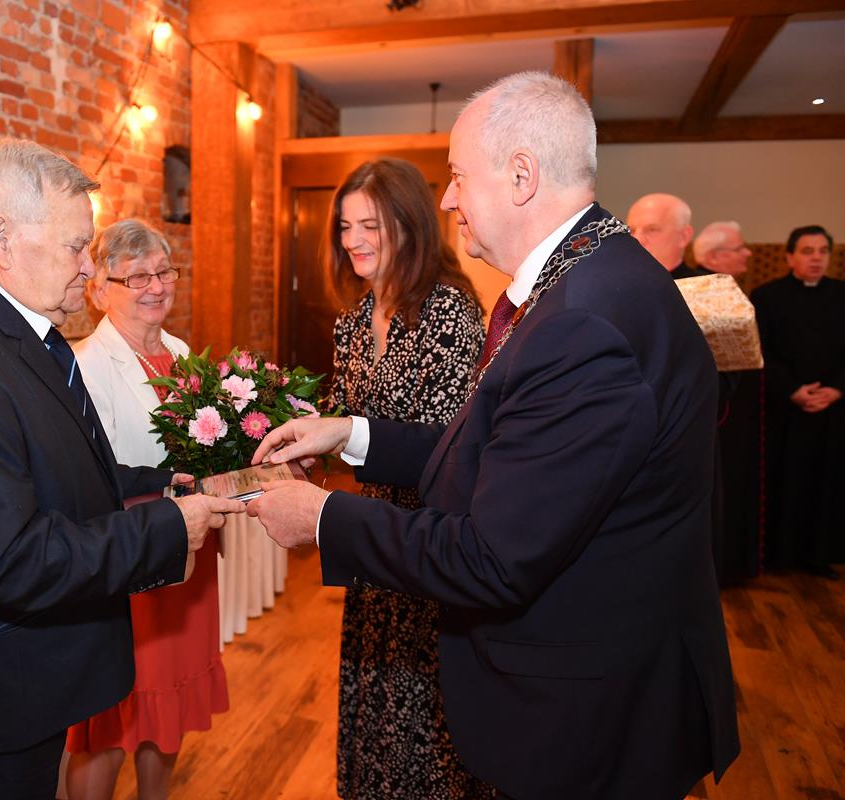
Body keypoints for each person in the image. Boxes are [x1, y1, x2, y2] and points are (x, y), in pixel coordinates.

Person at [247, 71, 740, 799]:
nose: (447, 199)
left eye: (456, 176)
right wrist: (348, 433)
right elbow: (498, 454)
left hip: (588, 713)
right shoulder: (590, 277)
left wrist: (322, 517)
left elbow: (494, 556)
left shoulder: (583, 320)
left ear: (520, 176)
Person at [0, 138, 243, 799]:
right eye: (77, 246)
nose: (88, 266)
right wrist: (167, 527)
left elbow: (62, 471)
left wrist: (160, 484)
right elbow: (11, 561)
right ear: (2, 240)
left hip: (22, 683)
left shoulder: (17, 337)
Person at [324, 158, 492, 799]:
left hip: (429, 535)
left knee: (424, 704)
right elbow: (340, 421)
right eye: (345, 227)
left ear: (411, 224)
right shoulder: (351, 320)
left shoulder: (447, 311)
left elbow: (448, 448)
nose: (354, 240)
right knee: (377, 693)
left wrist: (337, 435)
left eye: (370, 225)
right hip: (372, 531)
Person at [66, 219, 229, 799]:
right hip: (129, 557)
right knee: (112, 719)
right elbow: (94, 477)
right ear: (99, 290)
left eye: (164, 272)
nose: (156, 287)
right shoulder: (85, 365)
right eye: (137, 276)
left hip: (188, 552)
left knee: (171, 705)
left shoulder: (181, 353)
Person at [751, 225, 845, 579]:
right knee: (784, 480)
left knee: (827, 483)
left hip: (834, 411)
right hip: (785, 409)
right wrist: (792, 390)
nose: (816, 258)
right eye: (807, 251)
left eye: (823, 251)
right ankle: (778, 554)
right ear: (790, 257)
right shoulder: (766, 296)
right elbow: (760, 350)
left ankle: (820, 553)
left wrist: (837, 390)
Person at [691, 220, 763, 584]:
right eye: (739, 248)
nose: (748, 253)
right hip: (716, 413)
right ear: (715, 256)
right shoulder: (703, 290)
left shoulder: (726, 288)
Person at [626, 192, 697, 276]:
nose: (637, 239)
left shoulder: (705, 283)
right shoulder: (617, 281)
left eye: (652, 229)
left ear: (684, 236)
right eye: (631, 231)